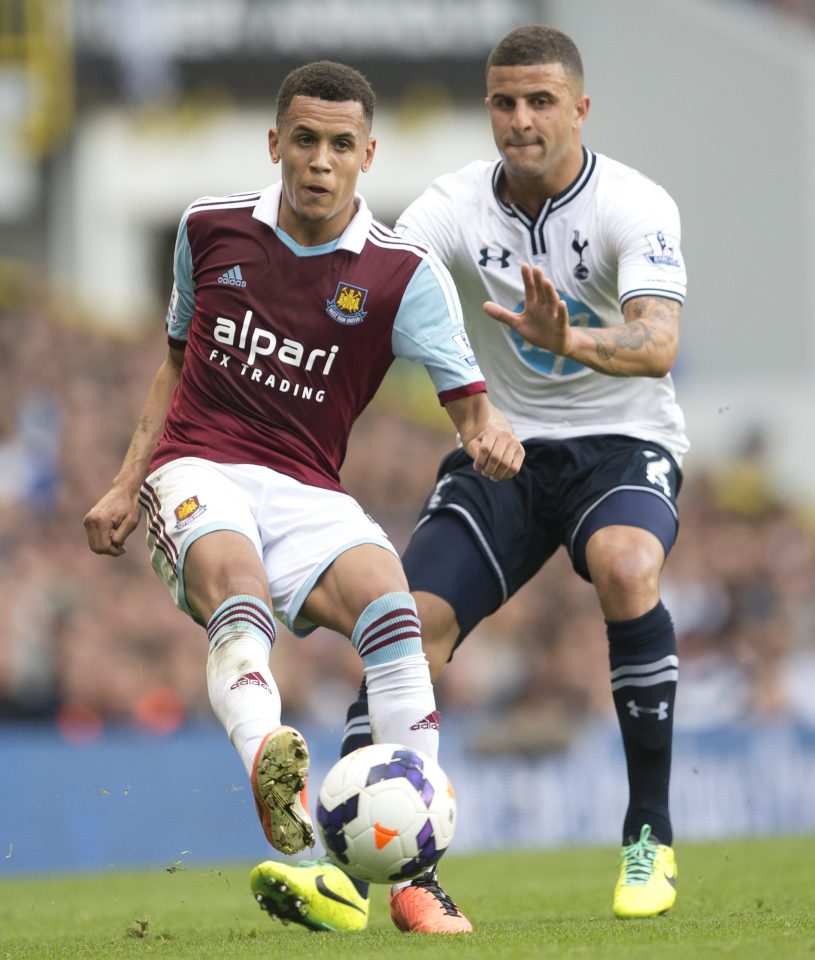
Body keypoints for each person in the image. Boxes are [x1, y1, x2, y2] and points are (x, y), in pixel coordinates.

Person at [261, 24, 688, 931]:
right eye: (504, 102)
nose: (520, 120)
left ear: (579, 108)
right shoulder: (451, 205)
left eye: (540, 102)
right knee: (406, 629)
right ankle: (353, 874)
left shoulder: (633, 203)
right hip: (505, 447)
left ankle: (648, 833)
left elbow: (656, 344)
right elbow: (374, 286)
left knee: (623, 565)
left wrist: (567, 338)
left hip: (620, 441)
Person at [83, 60, 523, 934]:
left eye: (341, 145)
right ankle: (266, 759)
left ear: (367, 154)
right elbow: (176, 361)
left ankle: (412, 877)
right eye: (307, 141)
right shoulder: (207, 230)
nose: (320, 161)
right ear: (275, 142)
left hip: (307, 489)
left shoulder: (402, 275)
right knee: (236, 584)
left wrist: (490, 438)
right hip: (196, 466)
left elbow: (472, 411)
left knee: (393, 610)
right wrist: (128, 482)